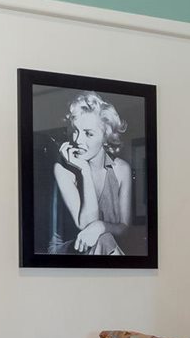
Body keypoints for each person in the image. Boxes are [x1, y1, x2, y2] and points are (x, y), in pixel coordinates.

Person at [45, 89, 136, 257]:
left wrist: (101, 226)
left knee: (103, 237)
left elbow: (124, 228)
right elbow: (86, 224)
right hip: (67, 251)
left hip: (104, 246)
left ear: (106, 136)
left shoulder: (121, 169)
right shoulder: (62, 170)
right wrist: (85, 170)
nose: (78, 140)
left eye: (88, 133)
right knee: (104, 239)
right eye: (75, 130)